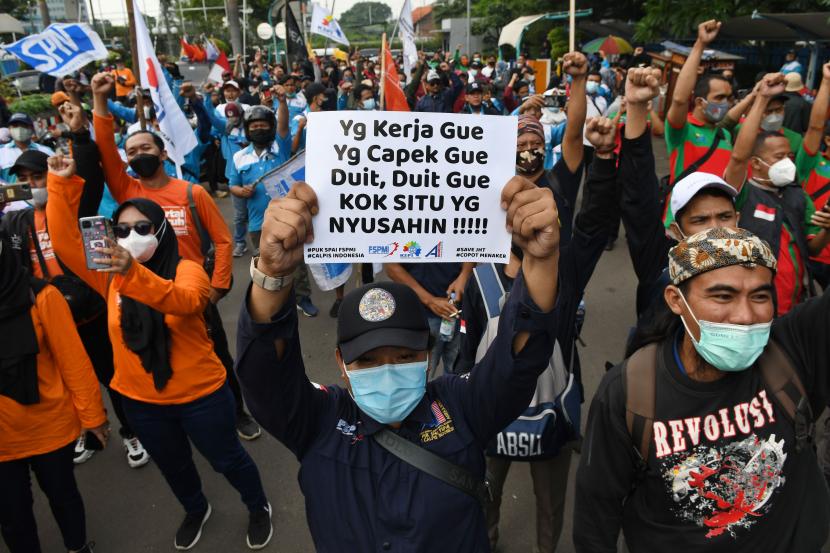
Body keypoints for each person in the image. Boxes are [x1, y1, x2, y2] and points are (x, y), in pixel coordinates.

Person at [235, 165, 562, 551]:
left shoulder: (461, 406)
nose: (388, 371)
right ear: (341, 364)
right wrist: (273, 271)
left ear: (427, 358)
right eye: (368, 360)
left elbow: (518, 361)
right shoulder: (318, 420)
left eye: (405, 355)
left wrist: (540, 259)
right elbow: (264, 378)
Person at [46, 154, 273, 550]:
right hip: (141, 402)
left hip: (200, 396)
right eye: (121, 229)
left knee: (228, 460)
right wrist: (61, 183)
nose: (130, 235)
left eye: (142, 227)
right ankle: (195, 508)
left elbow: (184, 302)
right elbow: (64, 239)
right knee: (174, 466)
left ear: (162, 230)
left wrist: (131, 274)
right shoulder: (108, 278)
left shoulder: (187, 269)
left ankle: (258, 506)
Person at [575, 226, 830, 552]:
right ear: (676, 300)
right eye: (722, 296)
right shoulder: (631, 391)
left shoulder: (792, 350)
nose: (745, 315)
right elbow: (596, 513)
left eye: (760, 296)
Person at [88, 71, 262, 440]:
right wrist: (100, 102)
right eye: (131, 152)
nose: (139, 155)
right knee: (155, 354)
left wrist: (216, 289)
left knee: (216, 356)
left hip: (191, 293)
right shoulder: (127, 192)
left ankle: (236, 413)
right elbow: (104, 150)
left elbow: (224, 241)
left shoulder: (191, 193)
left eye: (146, 149)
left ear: (163, 153)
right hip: (142, 293)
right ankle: (173, 420)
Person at [0, 129, 149, 469]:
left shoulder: (75, 211)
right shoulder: (15, 221)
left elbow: (91, 178)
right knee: (67, 380)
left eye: (38, 176)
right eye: (23, 179)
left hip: (91, 311)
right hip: (49, 319)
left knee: (112, 375)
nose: (32, 183)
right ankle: (88, 431)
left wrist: (80, 140)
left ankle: (131, 431)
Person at [0, 227, 107, 553]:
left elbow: (74, 361)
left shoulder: (43, 297)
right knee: (12, 516)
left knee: (63, 496)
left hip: (51, 427)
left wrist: (93, 419)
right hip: (3, 439)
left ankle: (77, 546)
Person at [724, 72, 830, 315]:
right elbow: (739, 156)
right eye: (779, 158)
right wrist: (761, 98)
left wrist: (828, 230)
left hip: (794, 307)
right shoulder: (742, 192)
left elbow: (812, 248)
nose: (788, 163)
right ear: (757, 163)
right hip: (752, 309)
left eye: (790, 157)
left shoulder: (798, 196)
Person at [228, 96, 319, 318]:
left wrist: (282, 103)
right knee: (265, 264)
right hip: (258, 222)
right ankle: (275, 302)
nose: (259, 129)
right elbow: (233, 186)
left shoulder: (282, 146)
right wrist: (242, 191)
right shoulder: (239, 157)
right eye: (254, 126)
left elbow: (283, 124)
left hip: (289, 221)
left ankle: (302, 297)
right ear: (248, 130)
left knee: (296, 263)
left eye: (264, 125)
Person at [664, 20, 734, 194]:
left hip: (718, 217)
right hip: (682, 219)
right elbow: (679, 99)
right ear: (700, 102)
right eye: (719, 98)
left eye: (728, 98)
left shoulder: (724, 134)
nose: (725, 103)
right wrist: (700, 44)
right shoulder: (681, 129)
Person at [0, 114, 55, 182]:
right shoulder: (1, 152)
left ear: (31, 128)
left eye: (23, 126)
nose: (19, 129)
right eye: (15, 126)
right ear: (9, 129)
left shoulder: (45, 151)